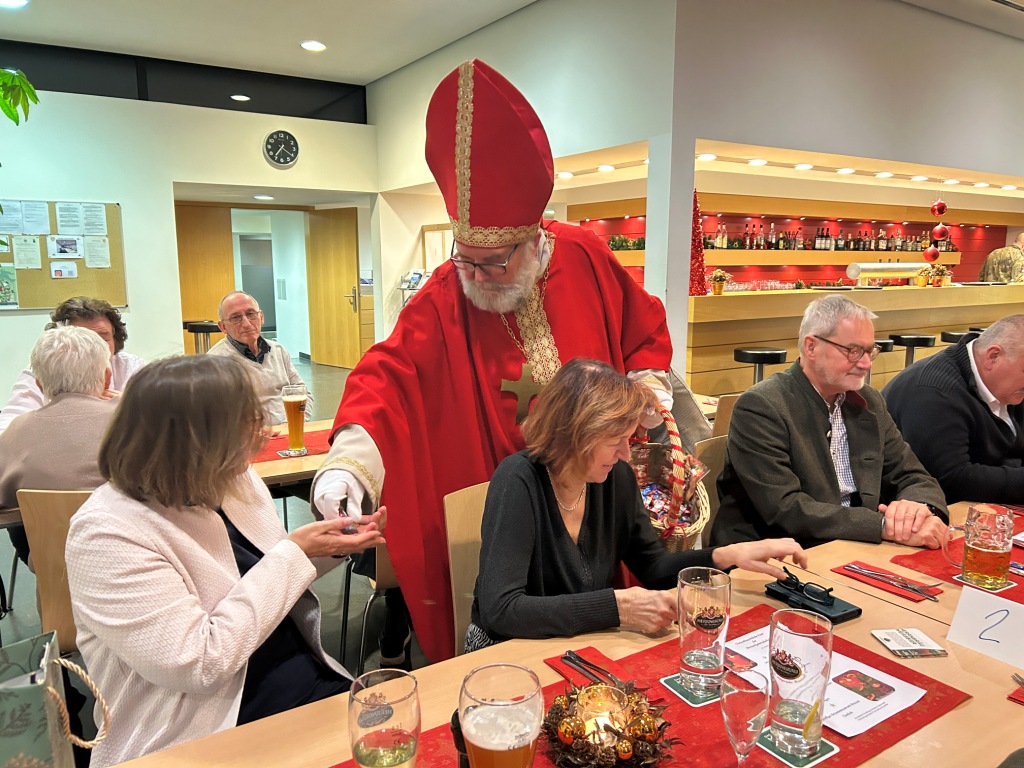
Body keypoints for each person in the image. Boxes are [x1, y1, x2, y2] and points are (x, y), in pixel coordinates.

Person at [311, 59, 674, 664]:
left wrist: (645, 384)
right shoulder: (446, 294)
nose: (476, 277)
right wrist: (349, 464)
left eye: (494, 262)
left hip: (594, 489)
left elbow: (643, 329)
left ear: (534, 240)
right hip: (506, 497)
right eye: (465, 259)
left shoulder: (585, 255)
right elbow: (386, 378)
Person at [65, 356, 385, 768]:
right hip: (199, 731)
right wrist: (295, 552)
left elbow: (266, 576)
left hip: (298, 684)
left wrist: (332, 546)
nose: (265, 433)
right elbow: (198, 664)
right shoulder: (105, 533)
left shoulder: (227, 479)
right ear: (192, 443)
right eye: (248, 424)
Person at [468, 359, 806, 651]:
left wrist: (725, 555)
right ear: (574, 435)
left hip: (579, 643)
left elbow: (653, 566)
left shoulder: (615, 477)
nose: (625, 454)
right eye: (615, 441)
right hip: (507, 651)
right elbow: (502, 611)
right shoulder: (518, 480)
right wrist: (618, 607)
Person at [710, 294, 948, 550]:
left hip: (855, 543)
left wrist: (915, 513)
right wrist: (882, 526)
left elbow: (912, 475)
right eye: (853, 351)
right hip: (777, 552)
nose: (866, 364)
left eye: (870, 351)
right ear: (811, 347)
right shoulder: (761, 406)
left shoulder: (869, 401)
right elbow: (786, 509)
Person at [0, 326, 117, 566]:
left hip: (53, 571)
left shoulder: (16, 431)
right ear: (107, 377)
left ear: (39, 385)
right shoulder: (135, 421)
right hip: (136, 565)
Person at [883, 317, 1024, 504]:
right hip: (926, 510)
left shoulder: (1009, 386)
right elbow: (949, 480)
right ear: (993, 356)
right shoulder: (933, 393)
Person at [0, 295, 144, 434]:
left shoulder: (131, 367)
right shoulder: (44, 370)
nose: (95, 348)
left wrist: (128, 406)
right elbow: (7, 427)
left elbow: (154, 420)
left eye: (104, 339)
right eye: (83, 340)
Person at [207, 291, 313, 425]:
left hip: (291, 428)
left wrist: (293, 423)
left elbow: (303, 393)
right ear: (223, 327)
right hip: (250, 435)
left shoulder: (278, 351)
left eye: (251, 314)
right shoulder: (214, 362)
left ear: (261, 317)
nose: (246, 323)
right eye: (236, 318)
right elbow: (214, 414)